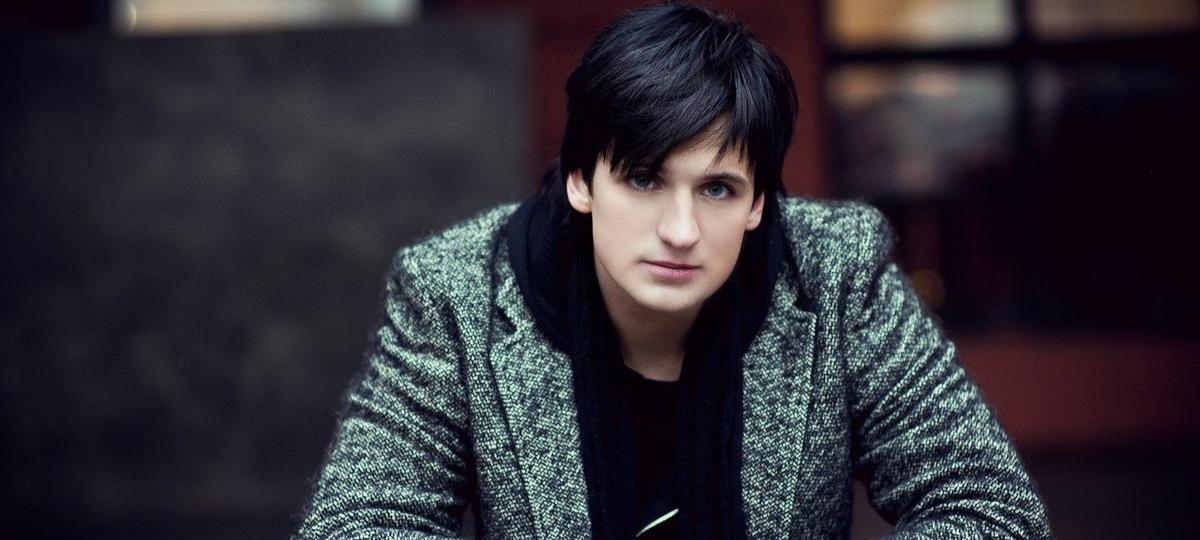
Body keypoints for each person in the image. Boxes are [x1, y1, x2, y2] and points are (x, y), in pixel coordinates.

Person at [295, 3, 1051, 538]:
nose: (681, 231)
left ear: (758, 203)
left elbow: (989, 507)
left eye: (718, 189)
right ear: (580, 179)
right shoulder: (453, 292)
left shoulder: (836, 274)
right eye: (644, 179)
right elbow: (357, 524)